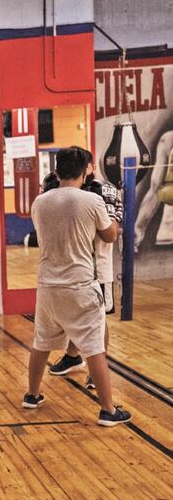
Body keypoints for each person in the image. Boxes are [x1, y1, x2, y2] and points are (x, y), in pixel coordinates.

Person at [23, 147, 131, 427]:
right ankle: (108, 410)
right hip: (81, 284)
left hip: (48, 286)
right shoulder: (91, 201)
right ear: (86, 171)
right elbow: (108, 236)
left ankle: (32, 395)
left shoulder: (39, 202)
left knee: (41, 343)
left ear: (57, 171)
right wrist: (116, 215)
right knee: (94, 348)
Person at [44, 148, 123, 389]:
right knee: (74, 315)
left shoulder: (102, 191)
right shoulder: (59, 189)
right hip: (67, 266)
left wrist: (107, 216)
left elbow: (109, 234)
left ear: (90, 168)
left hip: (95, 267)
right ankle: (73, 355)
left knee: (97, 320)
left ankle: (97, 370)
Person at [135, 130, 173, 250]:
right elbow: (155, 189)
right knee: (158, 188)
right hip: (167, 232)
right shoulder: (168, 140)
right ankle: (135, 237)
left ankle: (135, 236)